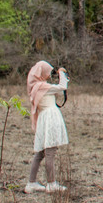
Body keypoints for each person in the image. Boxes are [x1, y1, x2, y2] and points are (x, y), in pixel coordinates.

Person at [24, 60, 69, 193]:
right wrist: (62, 73)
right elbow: (62, 87)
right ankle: (51, 183)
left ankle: (31, 182)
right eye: (48, 72)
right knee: (50, 152)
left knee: (40, 153)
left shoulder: (35, 87)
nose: (49, 75)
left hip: (44, 118)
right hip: (50, 118)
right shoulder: (43, 86)